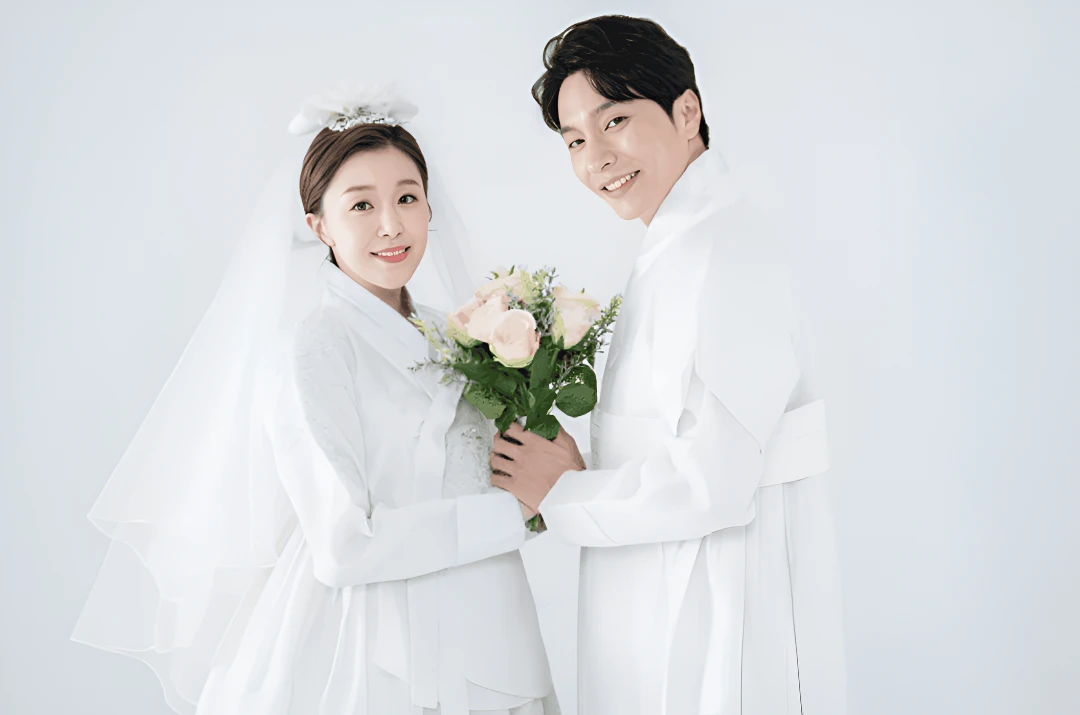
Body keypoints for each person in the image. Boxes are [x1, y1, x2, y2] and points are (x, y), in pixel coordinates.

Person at [73, 86, 559, 715]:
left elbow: (508, 474)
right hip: (367, 645)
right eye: (361, 204)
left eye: (408, 197)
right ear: (318, 225)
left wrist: (547, 478)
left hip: (491, 633)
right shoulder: (313, 349)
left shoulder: (464, 334)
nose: (392, 224)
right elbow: (344, 545)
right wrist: (511, 516)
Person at [491, 16, 847, 715]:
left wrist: (566, 492)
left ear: (688, 111)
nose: (596, 157)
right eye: (574, 140)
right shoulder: (677, 245)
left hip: (722, 616)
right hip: (662, 602)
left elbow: (714, 483)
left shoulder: (727, 251)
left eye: (615, 119)